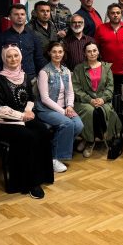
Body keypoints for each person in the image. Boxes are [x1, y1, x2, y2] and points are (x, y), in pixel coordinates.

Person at [0, 45, 53, 199]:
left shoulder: (24, 76)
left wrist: (28, 111)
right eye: (9, 56)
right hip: (2, 122)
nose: (13, 59)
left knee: (42, 130)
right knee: (27, 136)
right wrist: (22, 116)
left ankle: (43, 175)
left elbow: (30, 98)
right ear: (4, 59)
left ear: (20, 57)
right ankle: (29, 183)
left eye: (16, 55)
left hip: (22, 116)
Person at [35, 42, 83, 172]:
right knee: (68, 124)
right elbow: (45, 98)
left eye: (60, 52)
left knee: (78, 125)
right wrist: (63, 112)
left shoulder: (66, 71)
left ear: (63, 53)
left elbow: (70, 92)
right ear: (49, 53)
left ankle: (52, 149)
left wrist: (70, 106)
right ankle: (54, 158)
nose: (57, 54)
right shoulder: (44, 72)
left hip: (64, 108)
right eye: (54, 52)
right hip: (46, 109)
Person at [72, 42, 122, 158]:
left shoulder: (106, 68)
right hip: (84, 102)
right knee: (90, 111)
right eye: (89, 51)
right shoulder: (79, 68)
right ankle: (89, 140)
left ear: (98, 52)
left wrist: (103, 99)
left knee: (100, 111)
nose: (92, 53)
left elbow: (110, 87)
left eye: (94, 50)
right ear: (85, 53)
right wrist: (89, 100)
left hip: (103, 101)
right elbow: (76, 88)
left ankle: (89, 140)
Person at [0, 3, 46, 80]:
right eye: (16, 14)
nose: (20, 17)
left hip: (31, 78)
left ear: (26, 16)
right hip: (10, 79)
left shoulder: (33, 36)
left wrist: (43, 77)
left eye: (22, 14)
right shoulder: (2, 37)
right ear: (10, 17)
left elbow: (39, 58)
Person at [94, 3, 123, 91]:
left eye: (118, 13)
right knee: (108, 95)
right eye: (113, 13)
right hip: (106, 71)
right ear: (108, 14)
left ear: (121, 14)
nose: (115, 15)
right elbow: (95, 47)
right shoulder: (100, 28)